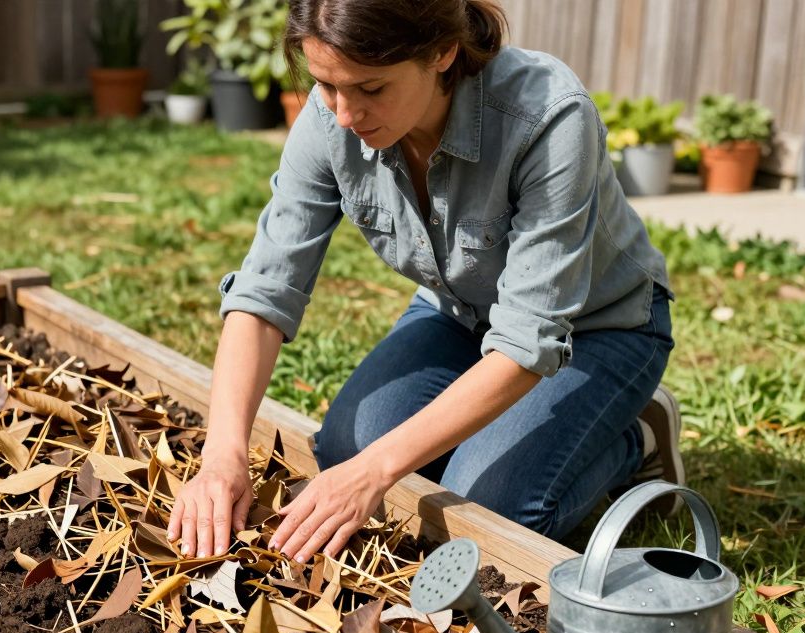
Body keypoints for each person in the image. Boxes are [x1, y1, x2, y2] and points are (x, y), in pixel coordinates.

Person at [166, 0, 684, 562]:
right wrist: (222, 455)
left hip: (598, 328)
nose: (344, 115)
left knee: (486, 507)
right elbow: (265, 289)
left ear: (442, 52)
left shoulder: (548, 116)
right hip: (458, 315)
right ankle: (477, 437)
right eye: (325, 85)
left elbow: (526, 339)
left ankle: (639, 434)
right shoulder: (331, 116)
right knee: (346, 449)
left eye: (371, 89)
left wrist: (375, 472)